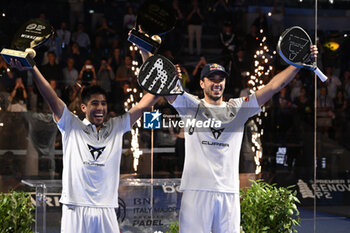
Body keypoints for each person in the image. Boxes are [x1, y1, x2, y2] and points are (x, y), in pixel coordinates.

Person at [143, 45, 318, 232]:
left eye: (221, 79)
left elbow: (274, 87)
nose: (217, 83)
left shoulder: (239, 108)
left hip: (228, 193)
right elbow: (156, 78)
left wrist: (298, 64)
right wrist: (143, 48)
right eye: (212, 79)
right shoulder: (190, 105)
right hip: (196, 191)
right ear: (202, 83)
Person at [10, 46, 159, 232]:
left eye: (103, 103)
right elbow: (50, 96)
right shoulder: (71, 124)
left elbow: (149, 100)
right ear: (82, 108)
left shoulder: (116, 126)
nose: (100, 108)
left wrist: (155, 63)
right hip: (75, 208)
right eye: (94, 103)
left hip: (106, 209)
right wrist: (32, 67)